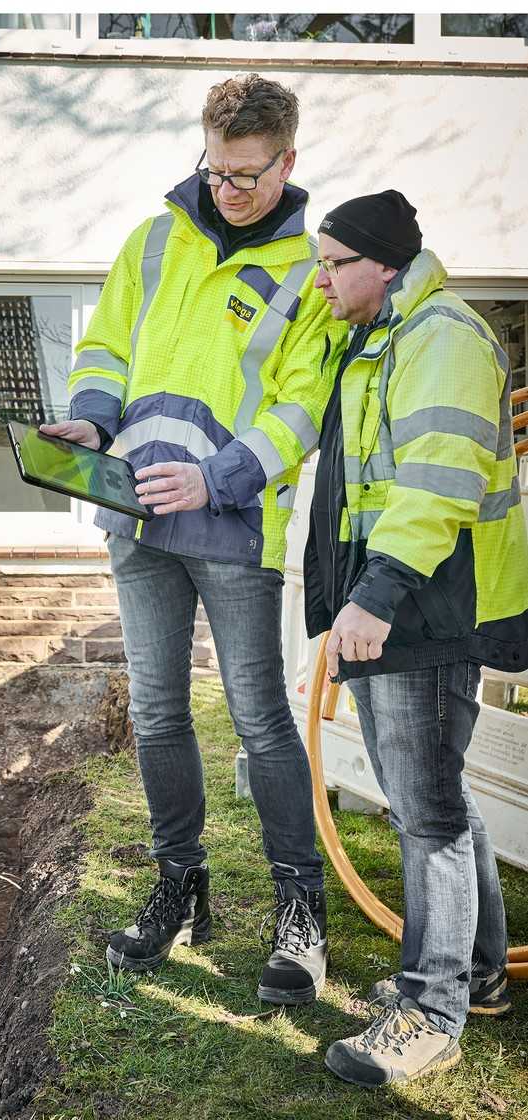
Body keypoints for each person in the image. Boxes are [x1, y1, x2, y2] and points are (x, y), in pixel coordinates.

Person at [41, 74, 345, 1004]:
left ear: (287, 161)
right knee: (160, 714)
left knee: (258, 721)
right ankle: (180, 882)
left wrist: (215, 478)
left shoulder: (312, 269)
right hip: (134, 514)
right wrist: (92, 422)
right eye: (214, 171)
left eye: (247, 176)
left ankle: (302, 910)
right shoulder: (155, 238)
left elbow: (301, 410)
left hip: (234, 527)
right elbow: (106, 349)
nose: (227, 190)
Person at [305, 189, 528, 1086]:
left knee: (425, 811)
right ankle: (476, 980)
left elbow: (434, 483)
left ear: (384, 265)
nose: (317, 279)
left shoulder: (438, 337)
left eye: (332, 262)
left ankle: (429, 1013)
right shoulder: (384, 338)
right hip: (394, 600)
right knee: (432, 792)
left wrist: (377, 595)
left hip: (425, 607)